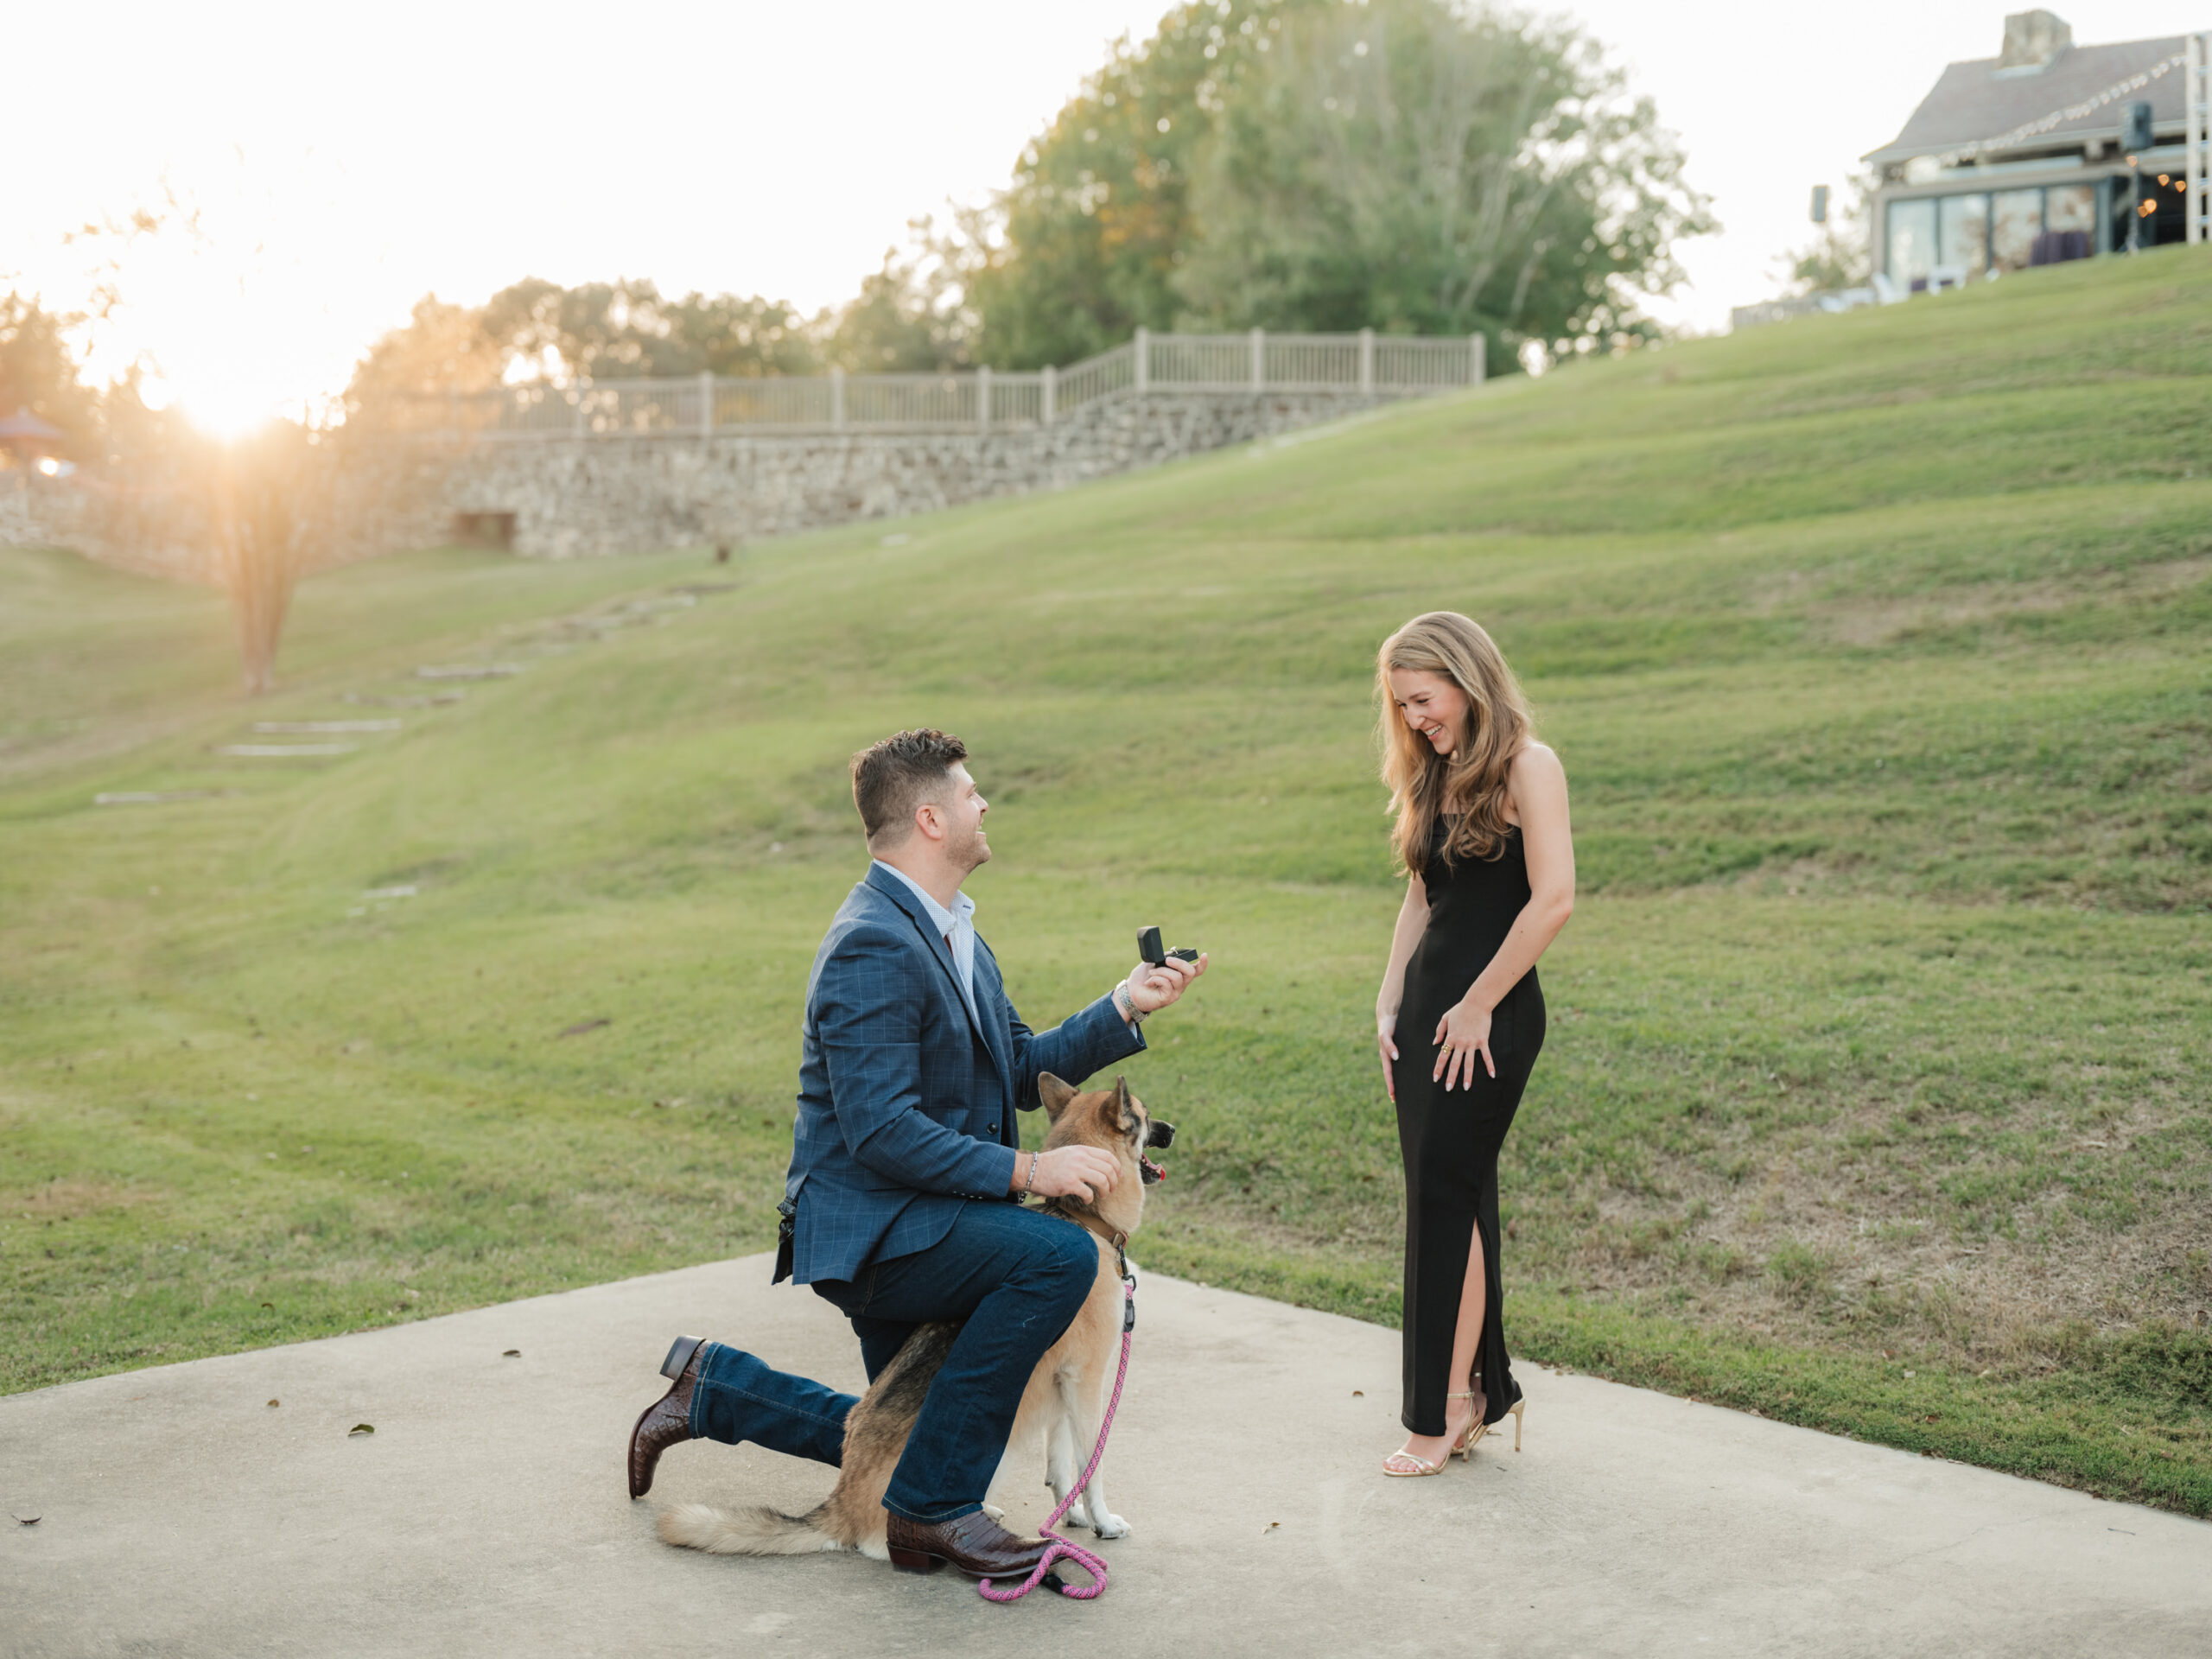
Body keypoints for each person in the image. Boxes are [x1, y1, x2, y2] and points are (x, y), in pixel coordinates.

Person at [626, 728, 1205, 1579]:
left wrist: (1125, 1002)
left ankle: (717, 1389)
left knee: (914, 1420)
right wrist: (1029, 1172)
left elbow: (1018, 1069)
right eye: (972, 794)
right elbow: (880, 1129)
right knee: (1055, 1260)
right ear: (931, 818)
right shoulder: (873, 942)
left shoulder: (953, 929)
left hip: (927, 1214)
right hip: (873, 1230)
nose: (985, 805)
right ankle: (931, 1516)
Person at [1371, 613, 1573, 1478]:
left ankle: (1439, 1413)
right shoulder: (1433, 775)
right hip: (1425, 1020)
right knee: (1453, 1192)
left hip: (1486, 1021)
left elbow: (1553, 899)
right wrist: (1386, 1006)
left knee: (1441, 1204)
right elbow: (1421, 903)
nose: (1415, 718)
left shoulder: (1529, 766)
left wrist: (1479, 1003)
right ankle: (1479, 1391)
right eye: (1402, 705)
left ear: (1465, 678)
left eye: (1423, 699)